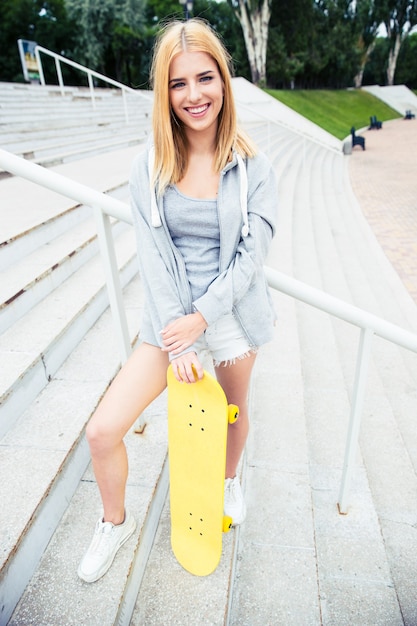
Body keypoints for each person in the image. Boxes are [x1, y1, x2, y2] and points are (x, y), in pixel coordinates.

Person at [77, 17, 278, 584]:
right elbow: (152, 256)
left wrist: (202, 320)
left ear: (224, 82)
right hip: (170, 320)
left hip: (231, 315)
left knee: (234, 413)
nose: (194, 95)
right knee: (101, 430)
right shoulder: (150, 165)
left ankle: (229, 479)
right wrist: (177, 331)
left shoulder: (255, 167)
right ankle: (112, 525)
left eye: (205, 78)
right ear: (164, 92)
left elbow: (250, 257)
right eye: (178, 82)